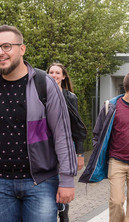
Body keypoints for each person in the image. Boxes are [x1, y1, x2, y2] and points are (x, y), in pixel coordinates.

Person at [0, 25, 77, 221]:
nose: (0, 53)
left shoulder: (44, 84)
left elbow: (62, 135)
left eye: (7, 46)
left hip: (41, 183)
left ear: (22, 49)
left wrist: (66, 179)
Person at [79, 72, 129, 222]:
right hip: (116, 162)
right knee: (116, 202)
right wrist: (100, 151)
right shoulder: (110, 107)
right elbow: (97, 133)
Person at [47, 63, 87, 222]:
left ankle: (63, 214)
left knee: (62, 181)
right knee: (48, 183)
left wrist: (80, 153)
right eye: (51, 72)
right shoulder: (39, 95)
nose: (54, 75)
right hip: (44, 147)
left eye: (58, 73)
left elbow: (77, 127)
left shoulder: (70, 97)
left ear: (63, 77)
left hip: (65, 147)